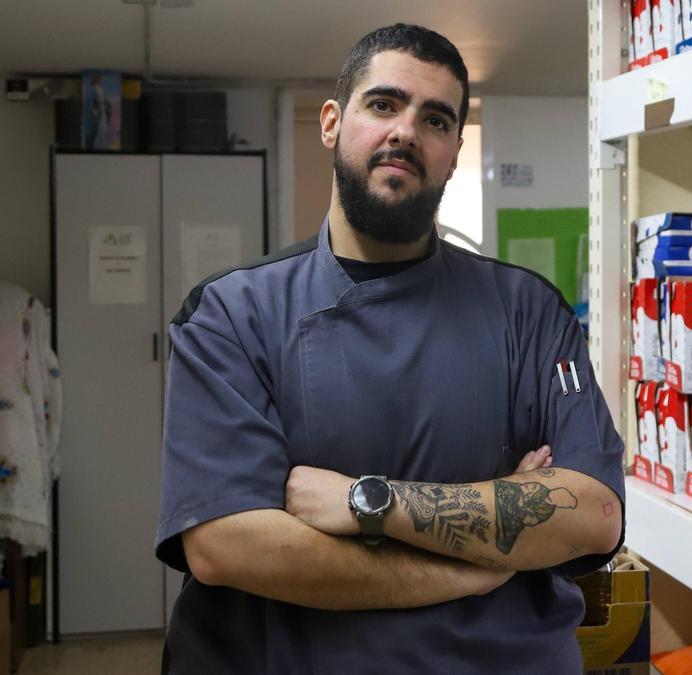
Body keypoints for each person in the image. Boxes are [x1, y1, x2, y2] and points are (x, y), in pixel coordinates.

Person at [154, 23, 626, 674]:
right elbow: (229, 545)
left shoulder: (529, 312)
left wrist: (365, 503)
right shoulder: (232, 314)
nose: (406, 130)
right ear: (331, 122)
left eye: (435, 119)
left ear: (455, 150)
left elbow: (594, 512)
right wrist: (470, 568)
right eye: (383, 104)